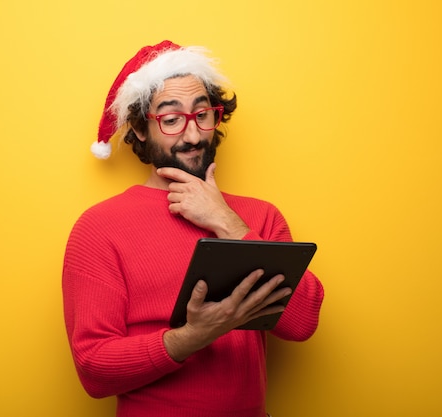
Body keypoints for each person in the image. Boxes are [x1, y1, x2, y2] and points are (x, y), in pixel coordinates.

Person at [62, 40, 324, 417]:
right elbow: (94, 369)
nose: (193, 135)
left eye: (203, 114)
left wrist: (227, 222)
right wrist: (193, 337)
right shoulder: (99, 228)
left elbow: (302, 323)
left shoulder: (258, 217)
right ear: (138, 128)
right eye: (171, 120)